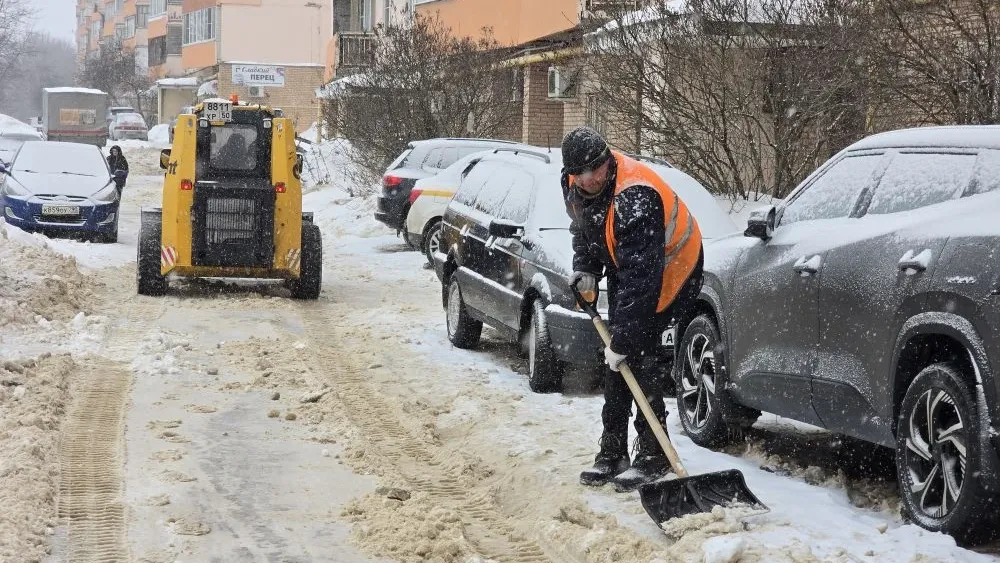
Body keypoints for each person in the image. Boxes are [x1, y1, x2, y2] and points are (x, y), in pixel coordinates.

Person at [560, 126, 705, 492]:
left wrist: (624, 341)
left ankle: (654, 453)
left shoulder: (635, 196)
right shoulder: (573, 183)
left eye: (597, 168)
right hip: (629, 265)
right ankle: (612, 451)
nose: (591, 179)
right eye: (582, 173)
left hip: (673, 269)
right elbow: (584, 229)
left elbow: (642, 283)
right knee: (615, 354)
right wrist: (586, 269)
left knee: (638, 354)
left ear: (607, 160)